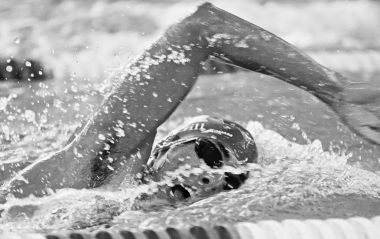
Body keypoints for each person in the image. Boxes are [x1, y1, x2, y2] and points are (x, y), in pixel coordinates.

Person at [1, 2, 379, 204]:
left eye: (230, 178)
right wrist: (333, 89)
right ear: (160, 147)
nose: (207, 174)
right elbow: (200, 28)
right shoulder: (96, 166)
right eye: (207, 152)